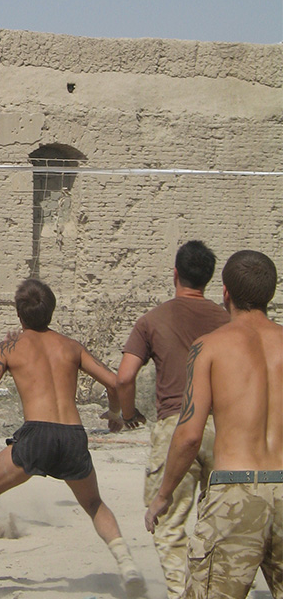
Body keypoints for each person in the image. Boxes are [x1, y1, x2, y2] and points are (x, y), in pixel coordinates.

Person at [0, 279, 145, 598]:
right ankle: (127, 566)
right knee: (93, 503)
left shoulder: (9, 347)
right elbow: (116, 382)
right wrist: (115, 414)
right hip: (73, 434)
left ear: (19, 314)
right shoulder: (71, 346)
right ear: (51, 311)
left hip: (37, 433)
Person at [145, 250, 282, 599]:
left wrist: (163, 494)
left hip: (235, 490)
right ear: (271, 293)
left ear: (225, 293)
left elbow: (189, 436)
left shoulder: (209, 347)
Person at [115, 240, 229, 599]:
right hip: (223, 430)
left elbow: (124, 377)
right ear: (208, 279)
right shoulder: (227, 321)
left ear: (175, 273)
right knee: (216, 522)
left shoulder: (153, 320)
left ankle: (181, 592)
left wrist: (129, 414)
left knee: (167, 522)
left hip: (175, 426)